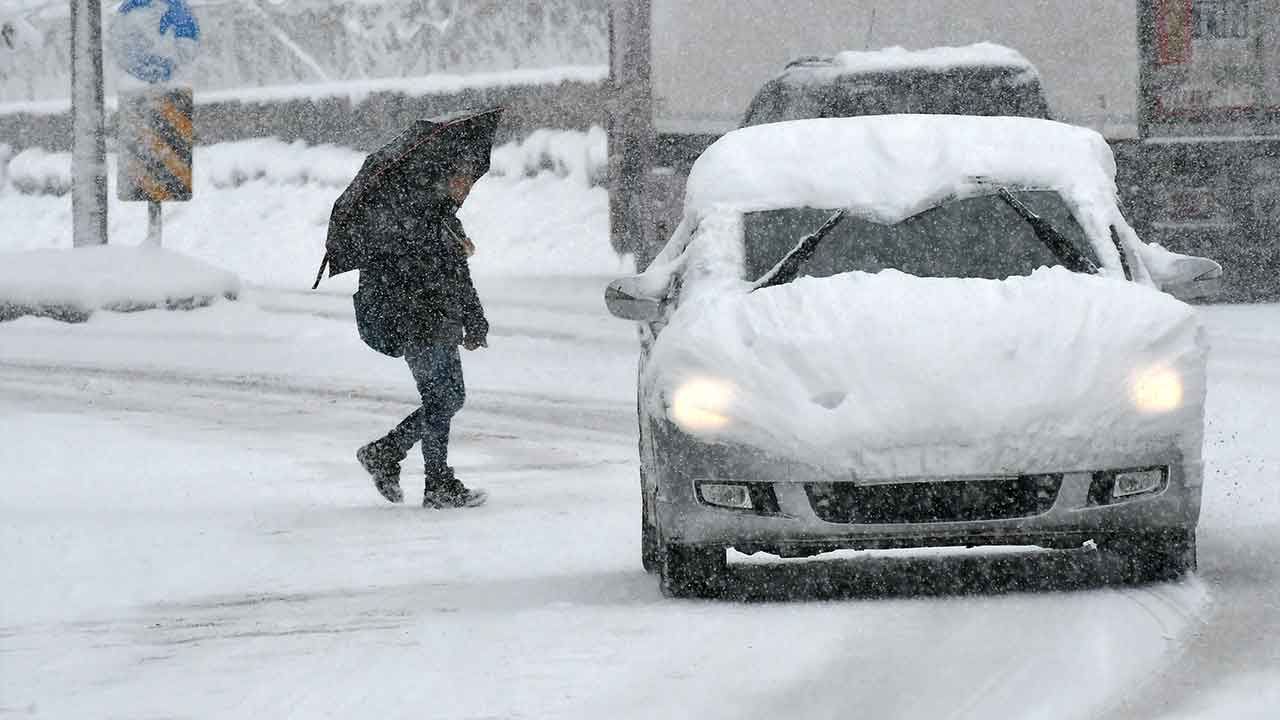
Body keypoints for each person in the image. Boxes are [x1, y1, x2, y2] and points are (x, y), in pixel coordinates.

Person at [354, 159, 490, 508]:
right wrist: (442, 258)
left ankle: (385, 452)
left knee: (450, 398)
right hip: (420, 325)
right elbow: (410, 278)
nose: (466, 188)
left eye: (469, 182)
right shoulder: (412, 221)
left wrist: (475, 319)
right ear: (443, 179)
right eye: (461, 180)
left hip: (443, 323)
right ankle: (436, 483)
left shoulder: (445, 219)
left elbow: (460, 278)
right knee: (442, 401)